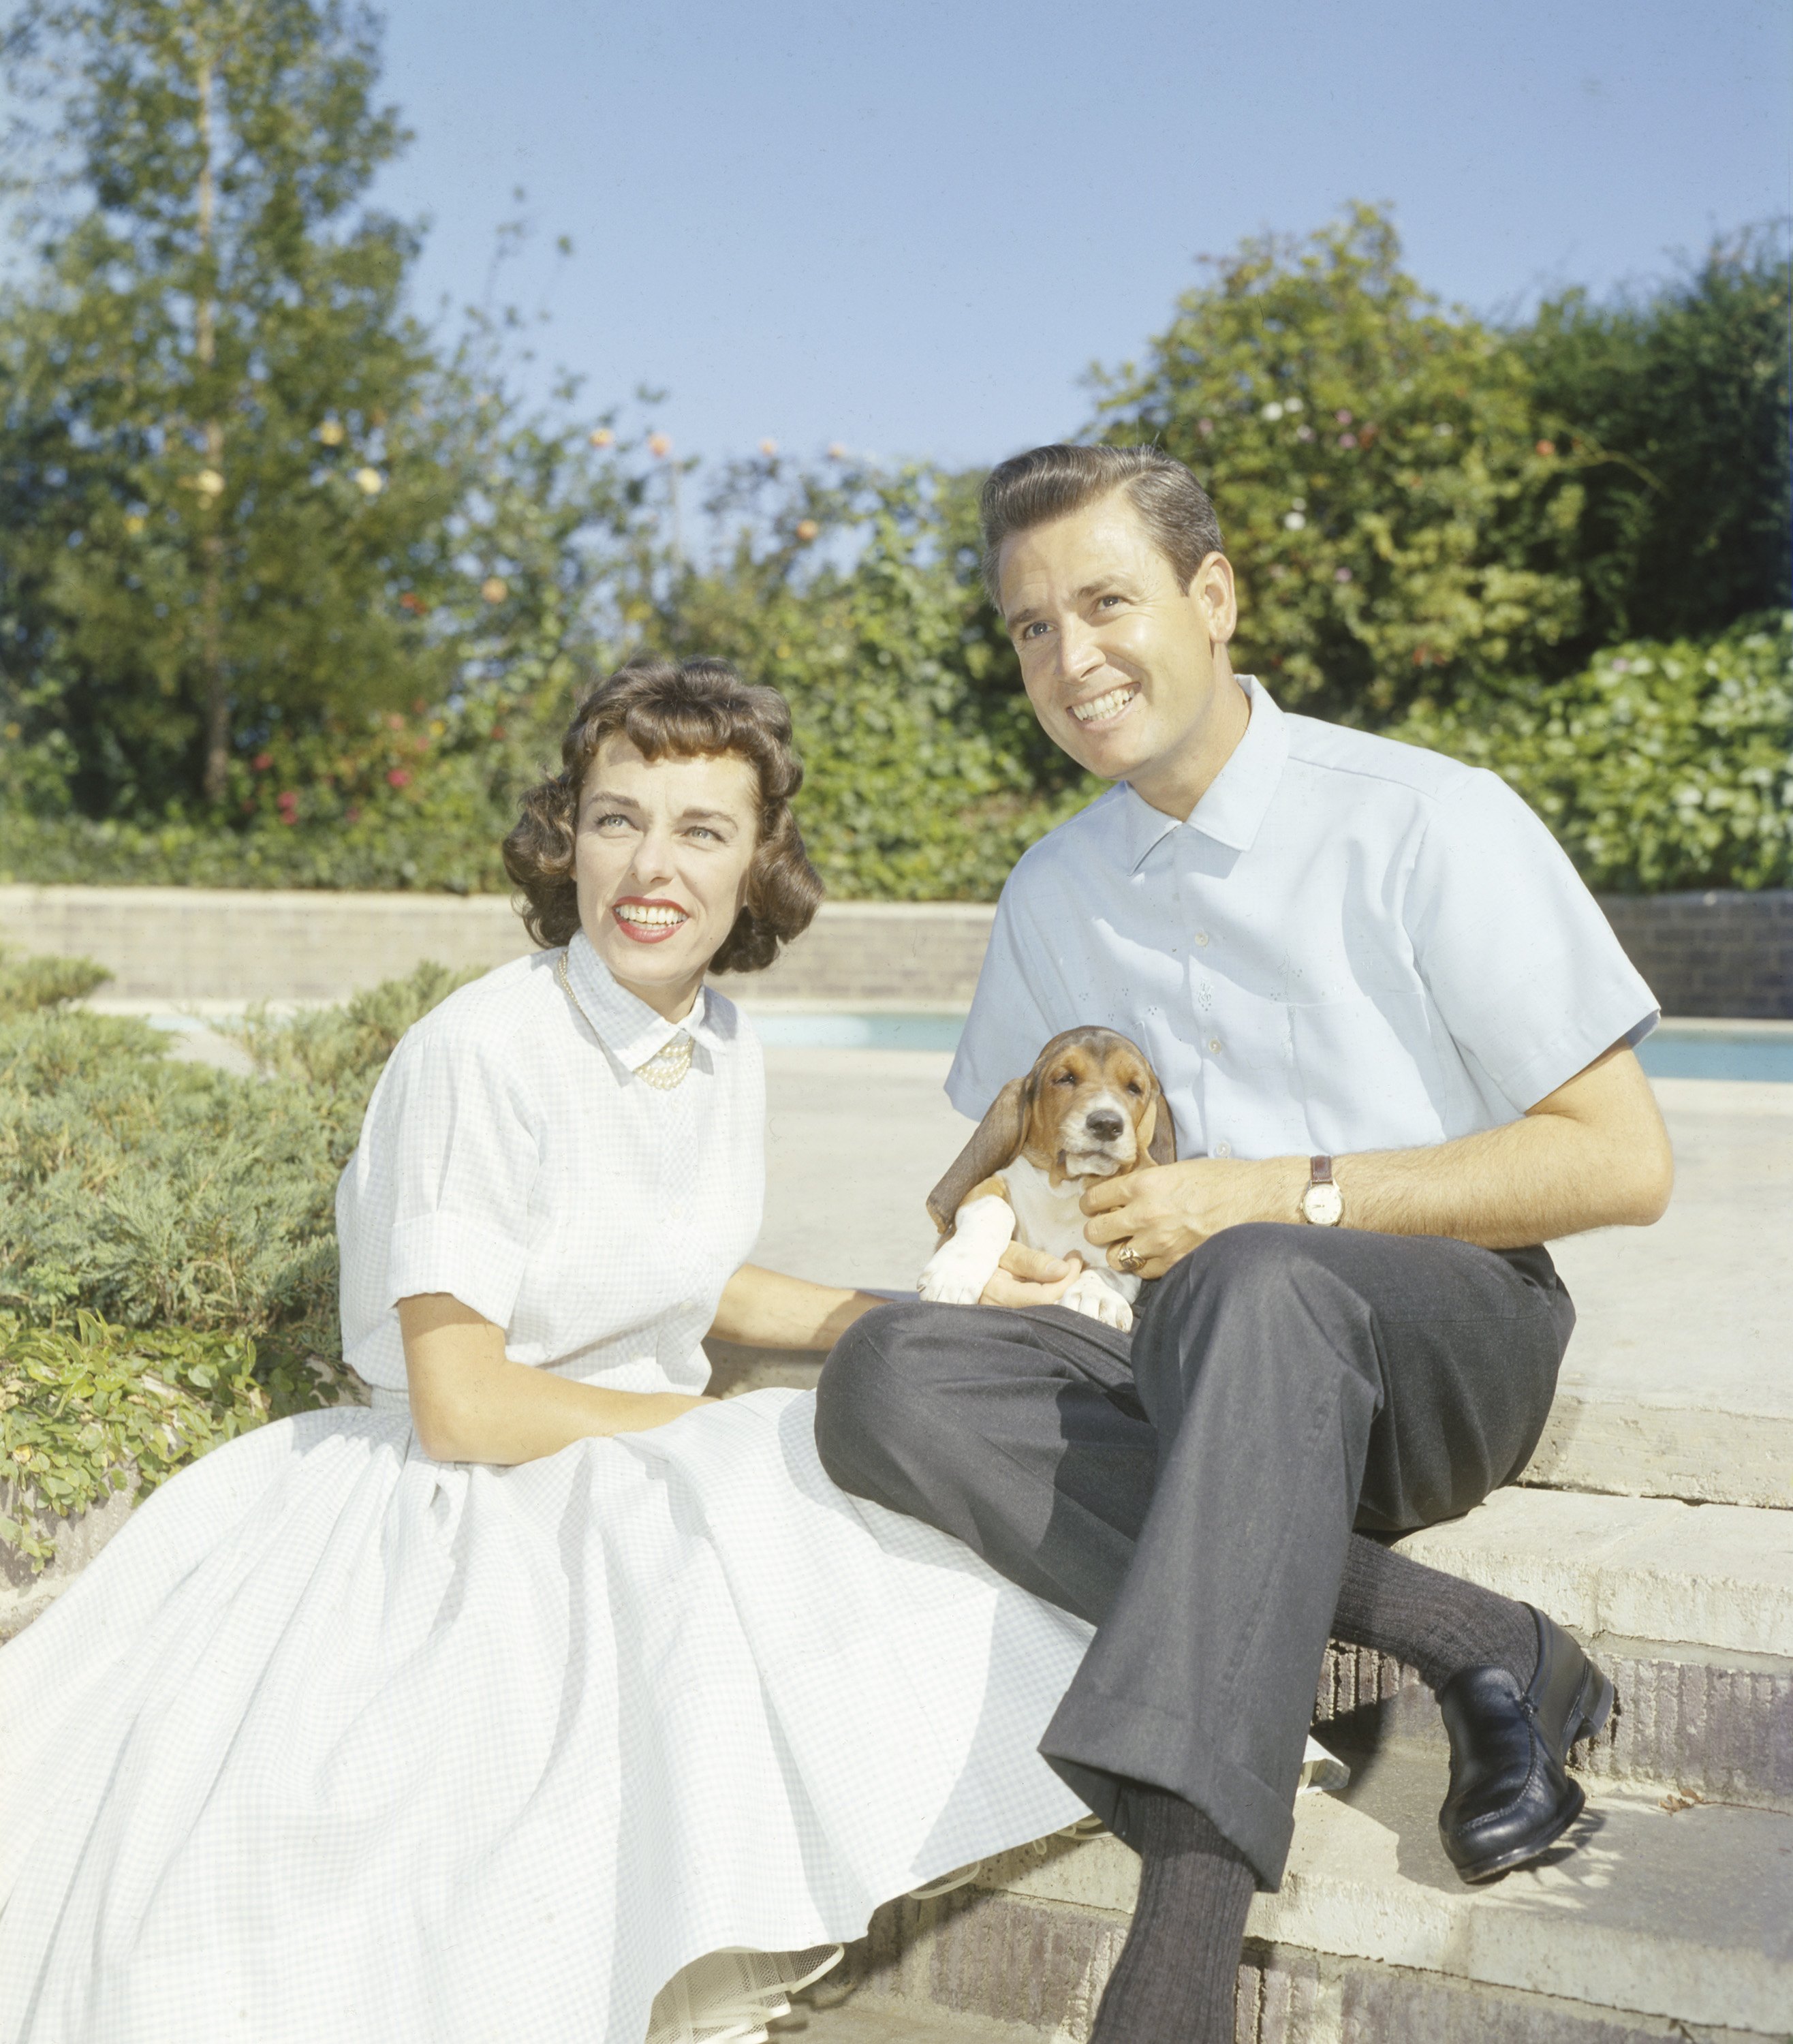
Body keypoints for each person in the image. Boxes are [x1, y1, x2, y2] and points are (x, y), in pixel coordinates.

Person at [0, 659, 1097, 2044]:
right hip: (457, 1497)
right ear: (561, 839)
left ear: (761, 862)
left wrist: (921, 1316)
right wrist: (709, 1431)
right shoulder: (480, 1052)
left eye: (701, 831)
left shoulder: (720, 1040)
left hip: (615, 1456)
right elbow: (459, 1400)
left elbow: (685, 1278)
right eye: (614, 819)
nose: (652, 868)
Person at [814, 444, 1674, 2044]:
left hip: (1437, 1344)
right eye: (1025, 629)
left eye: (1103, 603)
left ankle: (1179, 1964)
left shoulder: (1426, 819)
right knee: (881, 1375)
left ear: (1211, 599)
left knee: (1251, 1269)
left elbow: (1621, 1163)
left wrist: (1282, 1192)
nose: (1068, 662)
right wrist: (999, 1244)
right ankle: (1468, 1640)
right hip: (1169, 1358)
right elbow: (993, 1163)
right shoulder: (1051, 888)